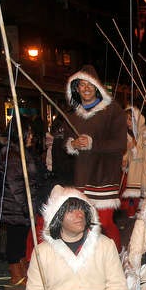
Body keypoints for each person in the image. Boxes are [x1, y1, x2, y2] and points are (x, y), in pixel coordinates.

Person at [57, 65, 127, 250]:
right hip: (82, 176)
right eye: (81, 84)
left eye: (90, 84)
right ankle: (91, 261)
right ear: (76, 88)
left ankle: (115, 257)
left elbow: (120, 144)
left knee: (104, 224)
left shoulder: (113, 110)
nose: (86, 88)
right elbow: (64, 143)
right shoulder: (72, 115)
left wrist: (92, 144)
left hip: (105, 176)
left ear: (97, 86)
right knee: (85, 225)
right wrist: (72, 144)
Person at [0, 123, 46, 285]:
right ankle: (15, 273)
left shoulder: (22, 152)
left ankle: (22, 268)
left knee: (21, 239)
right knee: (15, 239)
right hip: (15, 207)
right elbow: (16, 184)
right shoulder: (11, 155)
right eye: (29, 133)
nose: (31, 137)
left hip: (23, 204)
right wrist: (26, 206)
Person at [120, 105, 146, 217]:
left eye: (130, 119)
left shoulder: (144, 133)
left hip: (143, 171)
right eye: (126, 119)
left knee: (142, 196)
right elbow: (128, 153)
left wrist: (134, 148)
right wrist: (125, 160)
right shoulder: (131, 134)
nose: (128, 122)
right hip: (133, 170)